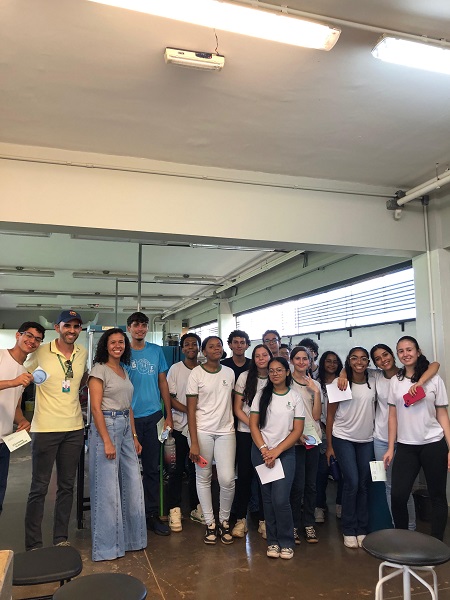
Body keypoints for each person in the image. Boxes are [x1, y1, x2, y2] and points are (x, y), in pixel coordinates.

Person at [25, 310, 87, 550]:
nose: (72, 330)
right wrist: (20, 416)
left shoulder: (82, 353)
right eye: (67, 325)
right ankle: (33, 544)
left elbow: (79, 381)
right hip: (45, 429)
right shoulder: (40, 351)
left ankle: (60, 538)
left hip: (73, 428)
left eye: (76, 326)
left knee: (67, 486)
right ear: (57, 327)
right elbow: (22, 378)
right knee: (38, 487)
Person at [383, 336, 450, 541]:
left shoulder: (434, 379)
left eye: (409, 349)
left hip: (433, 444)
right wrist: (390, 447)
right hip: (406, 446)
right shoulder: (396, 381)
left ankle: (437, 541)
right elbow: (392, 416)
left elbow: (442, 413)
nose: (405, 354)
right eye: (401, 351)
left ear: (418, 351)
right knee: (398, 496)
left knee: (438, 495)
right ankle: (403, 540)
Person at [88, 328, 146, 561]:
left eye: (121, 342)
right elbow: (95, 408)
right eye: (113, 342)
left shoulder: (123, 370)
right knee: (108, 489)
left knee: (133, 483)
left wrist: (134, 436)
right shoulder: (99, 370)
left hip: (124, 425)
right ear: (105, 345)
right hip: (107, 426)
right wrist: (106, 441)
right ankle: (106, 547)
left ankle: (133, 539)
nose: (118, 345)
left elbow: (128, 406)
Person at [371, 343, 438, 530]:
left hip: (407, 441)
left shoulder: (407, 373)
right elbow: (352, 368)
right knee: (389, 486)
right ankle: (396, 529)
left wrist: (420, 382)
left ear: (394, 355)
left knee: (404, 489)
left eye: (386, 355)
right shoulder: (375, 376)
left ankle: (410, 528)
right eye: (377, 358)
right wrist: (343, 374)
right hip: (381, 439)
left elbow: (435, 365)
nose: (383, 359)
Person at [250, 357, 305, 560]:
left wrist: (277, 451)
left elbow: (297, 430)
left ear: (287, 372)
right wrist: (265, 449)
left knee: (281, 499)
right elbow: (253, 425)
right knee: (268, 499)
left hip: (285, 453)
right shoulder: (261, 396)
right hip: (261, 452)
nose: (275, 374)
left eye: (279, 370)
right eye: (271, 371)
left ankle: (286, 541)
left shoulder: (295, 397)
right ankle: (273, 541)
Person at [125, 312, 173, 536]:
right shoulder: (122, 351)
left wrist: (168, 415)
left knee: (153, 469)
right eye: (136, 325)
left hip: (154, 417)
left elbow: (162, 382)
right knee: (129, 470)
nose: (140, 329)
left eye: (144, 325)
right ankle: (131, 516)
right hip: (129, 419)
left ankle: (152, 514)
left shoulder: (156, 351)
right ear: (129, 328)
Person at [186, 336, 235, 545]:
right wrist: (194, 441)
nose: (216, 349)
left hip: (226, 431)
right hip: (202, 431)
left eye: (219, 346)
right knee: (203, 476)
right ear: (203, 352)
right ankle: (210, 523)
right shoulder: (196, 373)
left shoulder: (229, 373)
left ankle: (224, 520)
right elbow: (190, 409)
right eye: (211, 346)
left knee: (227, 479)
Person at [326, 347, 375, 549]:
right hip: (343, 437)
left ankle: (362, 528)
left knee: (363, 483)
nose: (359, 361)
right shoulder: (340, 384)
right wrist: (329, 445)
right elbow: (330, 416)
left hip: (366, 439)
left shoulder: (375, 379)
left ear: (368, 362)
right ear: (349, 361)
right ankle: (348, 528)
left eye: (363, 358)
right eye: (354, 358)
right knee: (352, 482)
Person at [0, 322, 43, 514]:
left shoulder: (25, 372)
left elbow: (15, 405)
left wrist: (23, 420)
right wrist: (12, 382)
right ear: (18, 335)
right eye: (29, 335)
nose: (32, 341)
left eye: (37, 339)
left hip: (4, 442)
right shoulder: (1, 355)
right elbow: (10, 385)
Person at [232, 344, 272, 538]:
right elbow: (238, 408)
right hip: (246, 433)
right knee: (245, 476)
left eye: (265, 355)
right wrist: (254, 426)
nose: (261, 358)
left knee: (264, 477)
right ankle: (241, 519)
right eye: (257, 356)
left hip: (270, 436)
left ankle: (264, 520)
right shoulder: (244, 377)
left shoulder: (277, 377)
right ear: (253, 359)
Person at [166, 332, 204, 532]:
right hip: (181, 427)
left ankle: (197, 508)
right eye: (187, 345)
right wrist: (189, 412)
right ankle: (174, 510)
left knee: (198, 470)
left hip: (201, 429)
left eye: (194, 344)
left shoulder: (205, 369)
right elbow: (170, 398)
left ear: (199, 348)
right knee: (176, 470)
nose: (191, 347)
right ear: (182, 349)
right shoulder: (175, 369)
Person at [290, 346, 322, 544]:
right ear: (292, 361)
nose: (302, 362)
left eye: (305, 359)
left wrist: (316, 392)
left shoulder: (314, 384)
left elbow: (317, 415)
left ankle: (308, 523)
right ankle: (293, 524)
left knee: (311, 485)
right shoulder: (286, 383)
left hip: (313, 439)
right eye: (298, 358)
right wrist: (296, 434)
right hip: (295, 440)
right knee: (297, 485)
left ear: (310, 362)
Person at [315, 351, 344, 523]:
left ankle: (340, 504)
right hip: (321, 432)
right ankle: (319, 506)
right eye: (328, 361)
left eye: (335, 361)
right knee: (322, 472)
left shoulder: (342, 383)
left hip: (340, 432)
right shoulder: (316, 384)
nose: (332, 364)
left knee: (341, 471)